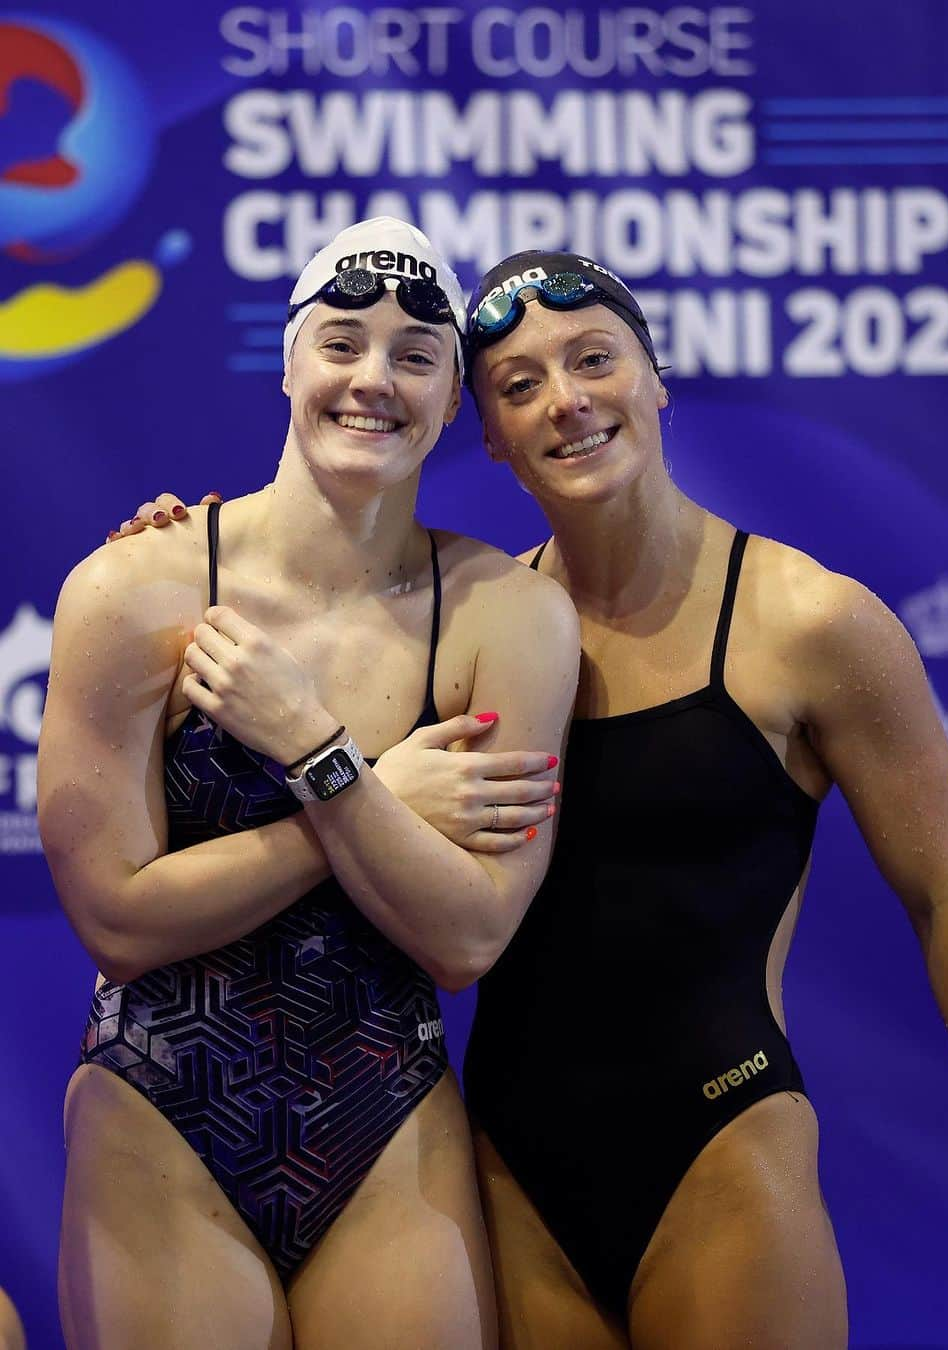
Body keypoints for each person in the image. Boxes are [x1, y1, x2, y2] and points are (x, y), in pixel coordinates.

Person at [107, 250, 948, 1350]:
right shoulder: (482, 629)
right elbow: (300, 607)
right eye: (519, 386)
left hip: (723, 1140)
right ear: (491, 437)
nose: (566, 401)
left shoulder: (810, 624)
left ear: (655, 380)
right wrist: (179, 550)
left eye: (595, 360)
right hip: (514, 1174)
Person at [38, 220, 579, 1349]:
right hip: (161, 1105)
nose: (373, 380)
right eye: (342, 343)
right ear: (288, 362)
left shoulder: (506, 616)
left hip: (386, 1116)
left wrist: (319, 755)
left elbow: (468, 941)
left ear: (451, 406)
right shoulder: (137, 589)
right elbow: (117, 924)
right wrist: (361, 789)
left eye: (416, 357)